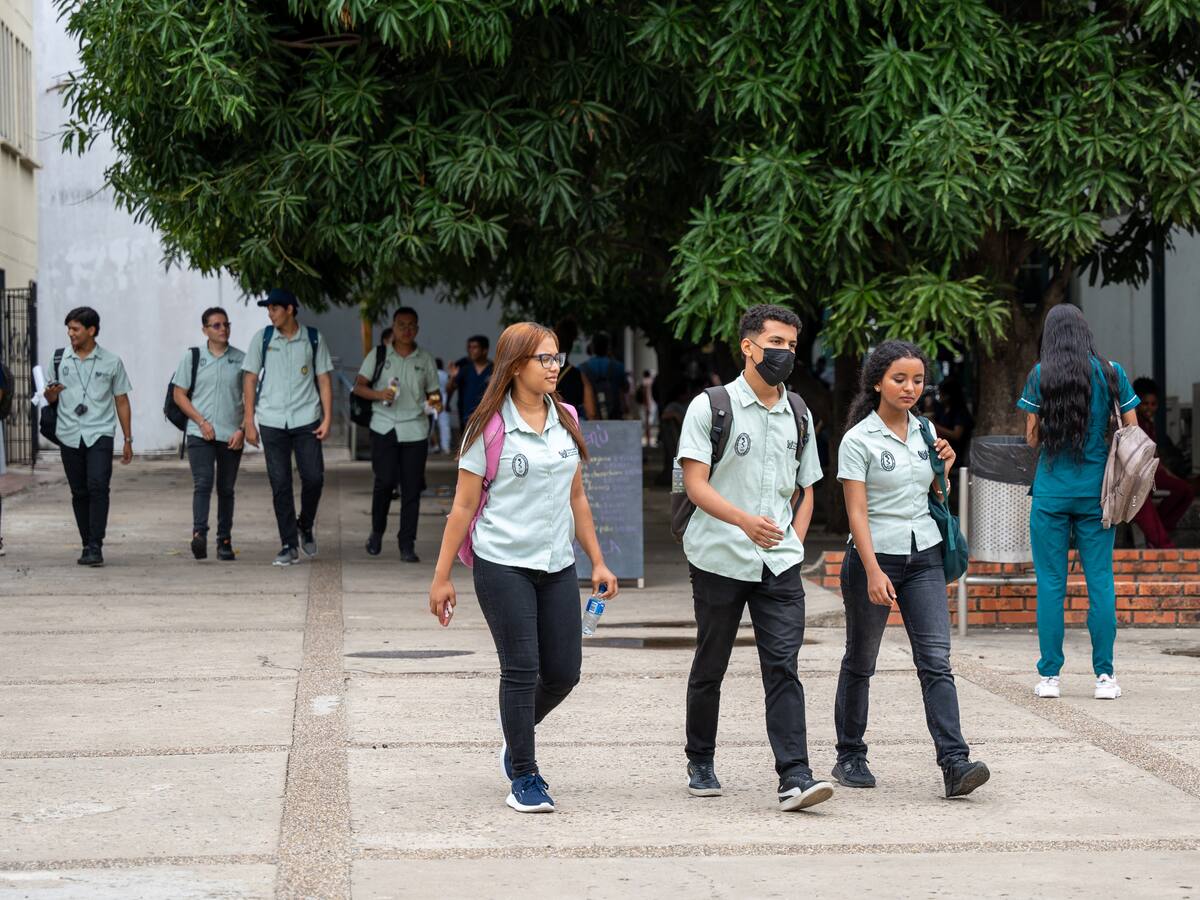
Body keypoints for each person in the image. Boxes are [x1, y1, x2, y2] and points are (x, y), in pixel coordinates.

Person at [428, 322, 618, 814]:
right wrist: (442, 576)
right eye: (545, 360)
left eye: (558, 358)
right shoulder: (487, 427)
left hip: (556, 564)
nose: (555, 368)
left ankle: (515, 737)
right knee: (521, 669)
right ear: (515, 366)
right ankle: (525, 775)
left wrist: (597, 559)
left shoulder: (567, 416)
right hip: (502, 564)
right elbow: (464, 509)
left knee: (563, 672)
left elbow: (577, 496)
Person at [676, 304, 833, 812]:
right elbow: (695, 485)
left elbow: (807, 486)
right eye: (775, 343)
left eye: (791, 345)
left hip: (779, 563)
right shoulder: (711, 407)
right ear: (748, 346)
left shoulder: (800, 413)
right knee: (711, 663)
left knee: (783, 665)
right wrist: (744, 521)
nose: (784, 353)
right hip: (719, 555)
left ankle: (796, 775)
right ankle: (700, 759)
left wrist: (795, 541)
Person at [835, 340, 990, 799]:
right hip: (873, 558)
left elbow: (934, 498)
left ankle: (954, 763)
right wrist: (872, 570)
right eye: (899, 379)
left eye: (918, 380)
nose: (909, 387)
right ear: (877, 381)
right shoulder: (858, 439)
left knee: (936, 662)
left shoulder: (926, 431)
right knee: (861, 661)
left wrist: (944, 467)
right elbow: (857, 513)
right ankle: (850, 754)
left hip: (923, 554)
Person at [1018, 304, 1140, 701]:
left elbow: (1032, 439)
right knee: (1100, 581)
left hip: (1051, 492)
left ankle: (1050, 677)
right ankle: (1105, 677)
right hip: (1097, 495)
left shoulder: (1040, 376)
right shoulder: (1112, 372)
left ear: (1050, 336)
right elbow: (1133, 433)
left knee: (1051, 584)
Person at [242, 288, 334, 567]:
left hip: (307, 417)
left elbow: (324, 380)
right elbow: (249, 378)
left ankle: (305, 524)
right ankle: (288, 544)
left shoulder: (314, 339)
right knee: (280, 482)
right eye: (268, 309)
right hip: (271, 419)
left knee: (314, 477)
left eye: (275, 308)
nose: (270, 314)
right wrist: (249, 420)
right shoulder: (263, 338)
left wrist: (328, 418)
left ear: (290, 309)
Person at [43, 306, 133, 567]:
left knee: (98, 485)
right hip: (69, 433)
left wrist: (128, 439)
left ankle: (96, 544)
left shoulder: (111, 361)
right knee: (79, 491)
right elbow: (48, 397)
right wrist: (52, 393)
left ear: (91, 330)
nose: (70, 334)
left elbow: (122, 400)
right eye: (68, 329)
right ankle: (86, 542)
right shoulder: (60, 360)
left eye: (75, 329)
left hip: (100, 433)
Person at [352, 307, 441, 562]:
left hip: (415, 429)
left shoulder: (424, 359)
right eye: (402, 325)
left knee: (412, 488)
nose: (406, 330)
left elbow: (434, 393)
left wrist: (436, 403)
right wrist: (380, 395)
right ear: (393, 326)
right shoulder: (379, 355)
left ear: (418, 329)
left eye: (412, 325)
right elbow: (359, 386)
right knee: (384, 482)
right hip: (384, 427)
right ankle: (377, 532)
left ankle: (407, 543)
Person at [172, 307, 246, 561]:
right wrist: (200, 421)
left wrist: (243, 429)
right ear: (205, 330)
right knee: (202, 483)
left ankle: (224, 540)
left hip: (231, 435)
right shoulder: (192, 357)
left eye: (226, 324)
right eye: (216, 325)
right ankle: (198, 535)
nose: (223, 329)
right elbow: (178, 394)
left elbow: (250, 399)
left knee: (226, 489)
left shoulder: (241, 359)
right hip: (199, 433)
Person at [1130, 377, 1195, 549]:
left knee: (1185, 490)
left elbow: (1155, 455)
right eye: (1145, 404)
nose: (1150, 408)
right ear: (1136, 403)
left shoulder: (1150, 425)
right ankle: (1159, 538)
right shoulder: (1133, 423)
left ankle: (1162, 528)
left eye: (1153, 404)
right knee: (1144, 503)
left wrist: (1167, 472)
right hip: (1139, 477)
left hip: (1154, 473)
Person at [552, 318, 598, 419]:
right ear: (571, 344)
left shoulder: (542, 371)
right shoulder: (578, 376)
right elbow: (591, 412)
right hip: (569, 427)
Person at [447, 334, 493, 428]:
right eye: (469, 347)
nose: (470, 350)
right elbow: (449, 390)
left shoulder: (494, 369)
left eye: (475, 347)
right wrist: (452, 378)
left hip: (488, 419)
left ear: (485, 350)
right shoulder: (465, 369)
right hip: (466, 419)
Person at [580, 332, 628, 420]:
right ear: (608, 347)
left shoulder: (582, 368)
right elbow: (624, 390)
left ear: (592, 347)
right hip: (614, 417)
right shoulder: (618, 367)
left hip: (590, 419)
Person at [930, 377, 974, 468]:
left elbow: (956, 435)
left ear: (948, 395)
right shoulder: (942, 408)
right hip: (940, 452)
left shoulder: (960, 411)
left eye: (941, 393)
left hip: (955, 456)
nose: (940, 396)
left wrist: (935, 425)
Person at [431, 357, 452, 453]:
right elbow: (449, 387)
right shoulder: (446, 375)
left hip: (433, 398)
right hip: (444, 398)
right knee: (444, 425)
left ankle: (434, 445)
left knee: (431, 424)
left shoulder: (432, 374)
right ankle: (446, 446)